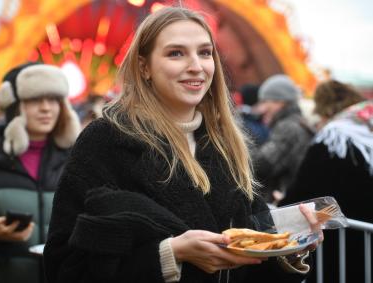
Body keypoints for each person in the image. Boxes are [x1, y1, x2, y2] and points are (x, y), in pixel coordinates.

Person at [44, 7, 321, 283]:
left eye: (204, 52)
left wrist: (288, 247)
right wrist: (169, 255)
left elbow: (249, 252)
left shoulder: (225, 144)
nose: (196, 66)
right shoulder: (105, 140)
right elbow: (63, 266)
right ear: (144, 66)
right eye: (176, 53)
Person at [0, 62, 81, 283]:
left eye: (53, 99)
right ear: (14, 107)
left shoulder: (78, 163)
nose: (46, 108)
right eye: (35, 99)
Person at [282, 80, 371, 283]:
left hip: (344, 249)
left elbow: (304, 189)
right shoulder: (366, 129)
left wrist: (282, 207)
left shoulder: (335, 137)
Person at [252, 74, 314, 204]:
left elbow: (261, 165)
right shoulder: (297, 123)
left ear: (280, 101)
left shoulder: (288, 127)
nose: (261, 108)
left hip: (282, 203)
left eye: (264, 101)